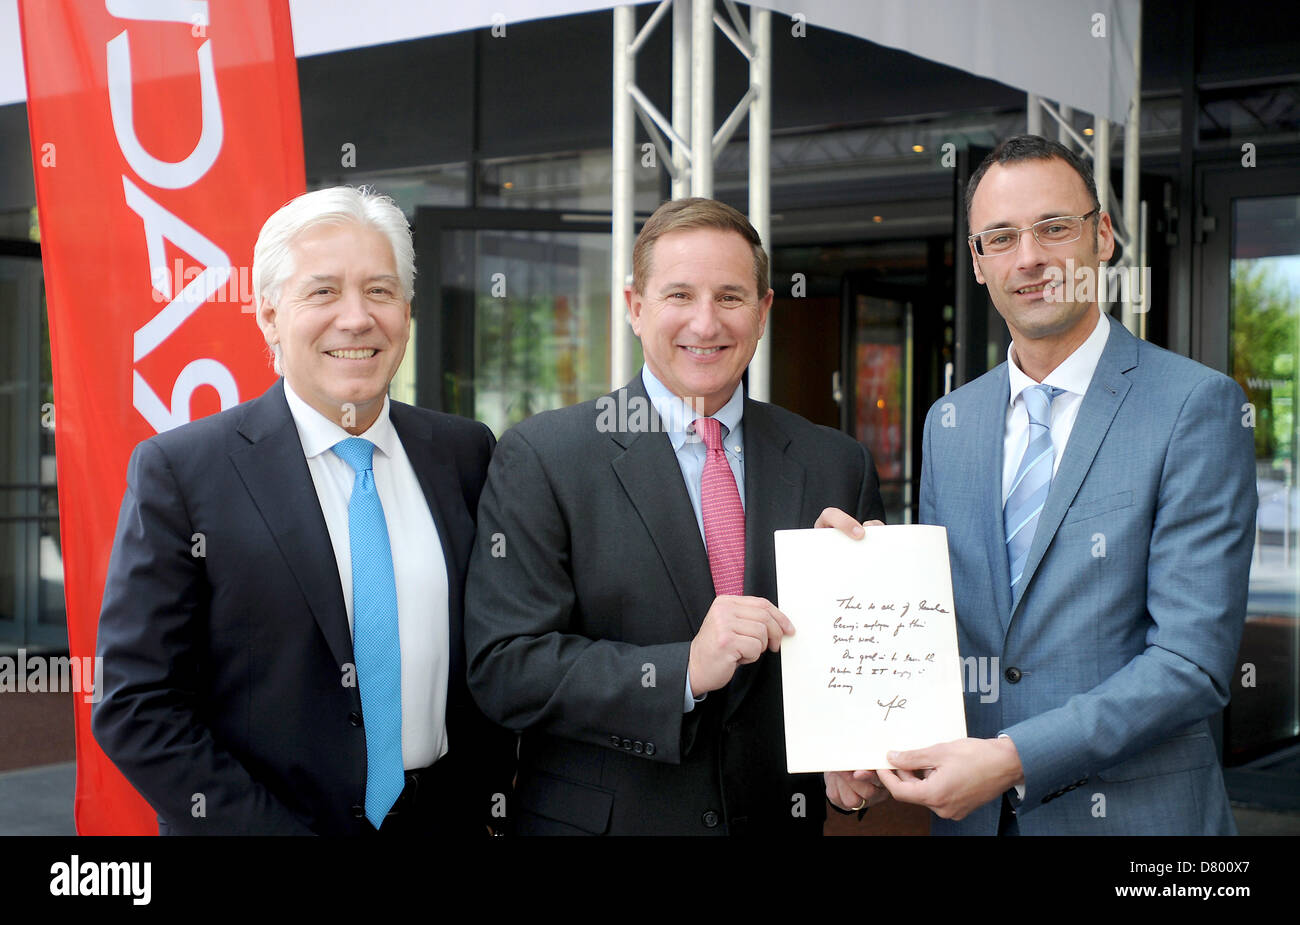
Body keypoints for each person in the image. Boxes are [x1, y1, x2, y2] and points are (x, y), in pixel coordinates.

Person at [821, 135, 1256, 835]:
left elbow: (1190, 662)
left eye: (1054, 227)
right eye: (1000, 237)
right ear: (978, 261)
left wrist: (1013, 758)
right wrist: (865, 583)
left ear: (1103, 236)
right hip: (971, 821)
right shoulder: (949, 422)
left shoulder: (1193, 406)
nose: (1028, 258)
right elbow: (945, 630)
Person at [93, 186, 514, 835]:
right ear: (269, 314)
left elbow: (498, 650)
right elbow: (136, 704)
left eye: (379, 291)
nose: (356, 318)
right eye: (323, 291)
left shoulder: (464, 453)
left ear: (406, 311)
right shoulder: (182, 472)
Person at [463, 197, 886, 834]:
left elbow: (854, 685)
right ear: (635, 308)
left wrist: (854, 769)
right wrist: (681, 670)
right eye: (679, 295)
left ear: (763, 312)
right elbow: (506, 668)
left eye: (730, 297)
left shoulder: (836, 464)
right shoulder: (544, 456)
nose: (705, 322)